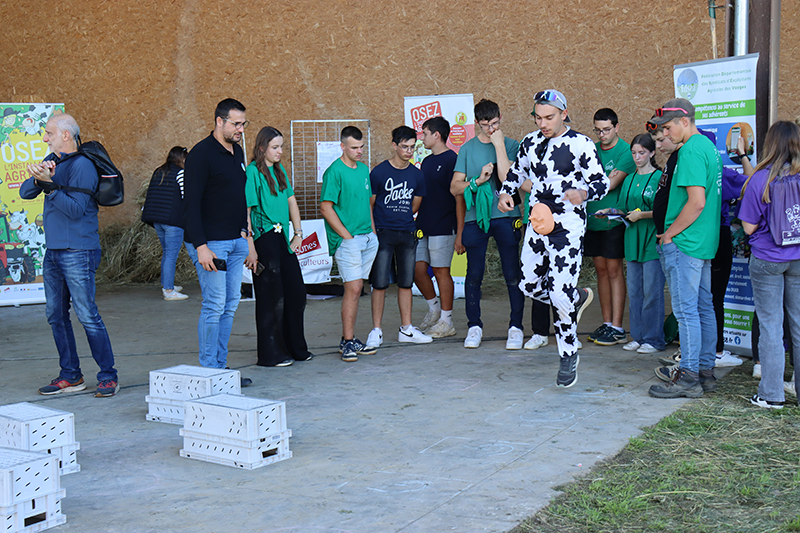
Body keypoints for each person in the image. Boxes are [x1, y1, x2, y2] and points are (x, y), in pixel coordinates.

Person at [498, 89, 607, 388]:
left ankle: (568, 353)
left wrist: (583, 193)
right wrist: (506, 192)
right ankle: (575, 297)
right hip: (537, 222)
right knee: (529, 284)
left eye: (549, 117)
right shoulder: (530, 142)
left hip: (567, 226)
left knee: (557, 294)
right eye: (538, 117)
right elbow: (516, 171)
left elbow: (602, 182)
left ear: (563, 113)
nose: (543, 123)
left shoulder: (580, 144)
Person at [20, 113, 119, 397]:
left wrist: (49, 185)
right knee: (55, 315)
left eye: (49, 133)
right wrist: (41, 177)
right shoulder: (54, 161)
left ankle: (108, 375)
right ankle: (71, 376)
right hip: (54, 252)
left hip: (79, 250)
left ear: (66, 135)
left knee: (87, 315)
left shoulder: (83, 166)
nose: (44, 138)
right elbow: (26, 191)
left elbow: (75, 210)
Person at [647, 98, 721, 399]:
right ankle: (704, 371)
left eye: (668, 127)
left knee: (686, 310)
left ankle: (688, 376)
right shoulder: (707, 147)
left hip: (686, 242)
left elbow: (697, 202)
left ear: (685, 121)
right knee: (704, 307)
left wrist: (669, 235)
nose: (665, 133)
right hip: (703, 242)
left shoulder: (690, 150)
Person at [183, 98, 252, 386]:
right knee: (214, 304)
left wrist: (246, 236)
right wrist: (200, 246)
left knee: (231, 303)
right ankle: (208, 370)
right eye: (236, 124)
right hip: (212, 244)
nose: (241, 129)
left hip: (235, 242)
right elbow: (190, 203)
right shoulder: (201, 154)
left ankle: (220, 368)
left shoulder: (236, 152)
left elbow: (238, 197)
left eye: (243, 124)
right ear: (219, 121)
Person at [450, 99, 526, 350]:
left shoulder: (513, 145)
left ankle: (516, 327)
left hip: (507, 215)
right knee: (474, 275)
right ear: (476, 123)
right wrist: (478, 181)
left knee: (512, 274)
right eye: (485, 125)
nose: (491, 129)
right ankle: (474, 326)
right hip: (476, 217)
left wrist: (499, 145)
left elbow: (512, 180)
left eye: (495, 124)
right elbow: (454, 188)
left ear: (500, 118)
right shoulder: (467, 149)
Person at [738, 120, 800, 409]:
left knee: (771, 326)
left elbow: (748, 228)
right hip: (798, 258)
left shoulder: (760, 179)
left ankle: (771, 394)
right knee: (798, 326)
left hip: (767, 259)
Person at [244, 126, 313, 367]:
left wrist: (298, 233)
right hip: (264, 237)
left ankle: (295, 347)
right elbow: (248, 211)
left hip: (283, 237)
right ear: (261, 148)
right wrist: (250, 245)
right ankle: (271, 354)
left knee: (296, 292)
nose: (280, 151)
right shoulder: (253, 172)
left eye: (281, 147)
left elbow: (291, 201)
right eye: (275, 147)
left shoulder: (280, 170)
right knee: (271, 296)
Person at [365, 126, 432, 349]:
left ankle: (407, 329)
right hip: (383, 233)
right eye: (404, 147)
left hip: (407, 232)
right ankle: (376, 330)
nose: (408, 151)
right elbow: (370, 204)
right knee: (380, 283)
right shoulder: (379, 172)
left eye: (412, 147)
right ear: (394, 146)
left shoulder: (416, 174)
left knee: (406, 282)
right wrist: (374, 232)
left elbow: (416, 204)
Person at [600, 133, 665, 354]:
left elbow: (663, 211)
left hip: (650, 240)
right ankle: (637, 336)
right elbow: (623, 208)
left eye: (642, 153)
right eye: (634, 153)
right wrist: (609, 211)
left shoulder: (659, 178)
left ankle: (654, 339)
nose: (637, 158)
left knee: (652, 292)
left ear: (652, 153)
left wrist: (643, 215)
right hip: (632, 241)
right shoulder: (627, 179)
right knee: (635, 291)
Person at [320, 126, 379, 362]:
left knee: (357, 289)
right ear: (342, 146)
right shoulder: (334, 171)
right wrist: (346, 236)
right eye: (354, 147)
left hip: (367, 237)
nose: (359, 151)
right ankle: (347, 341)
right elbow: (326, 208)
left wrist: (373, 234)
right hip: (349, 240)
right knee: (353, 289)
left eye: (361, 147)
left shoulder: (364, 169)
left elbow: (368, 204)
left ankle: (350, 339)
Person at [586, 108, 636, 346]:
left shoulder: (626, 151)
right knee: (601, 270)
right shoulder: (591, 149)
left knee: (615, 270)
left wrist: (602, 181)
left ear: (617, 127)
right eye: (597, 130)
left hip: (614, 220)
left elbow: (610, 184)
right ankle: (606, 323)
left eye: (606, 130)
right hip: (591, 218)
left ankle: (617, 326)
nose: (602, 135)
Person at [414, 116, 458, 338]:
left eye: (424, 134)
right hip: (423, 225)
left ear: (436, 135)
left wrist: (460, 232)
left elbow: (459, 197)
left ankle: (446, 321)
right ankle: (434, 311)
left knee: (442, 272)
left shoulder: (453, 160)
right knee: (417, 270)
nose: (421, 138)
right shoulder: (427, 161)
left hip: (444, 224)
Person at [141, 146, 189, 301]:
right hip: (173, 221)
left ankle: (167, 284)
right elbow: (186, 196)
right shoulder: (181, 173)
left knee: (167, 252)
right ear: (181, 158)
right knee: (171, 253)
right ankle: (168, 291)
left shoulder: (159, 171)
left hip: (157, 220)